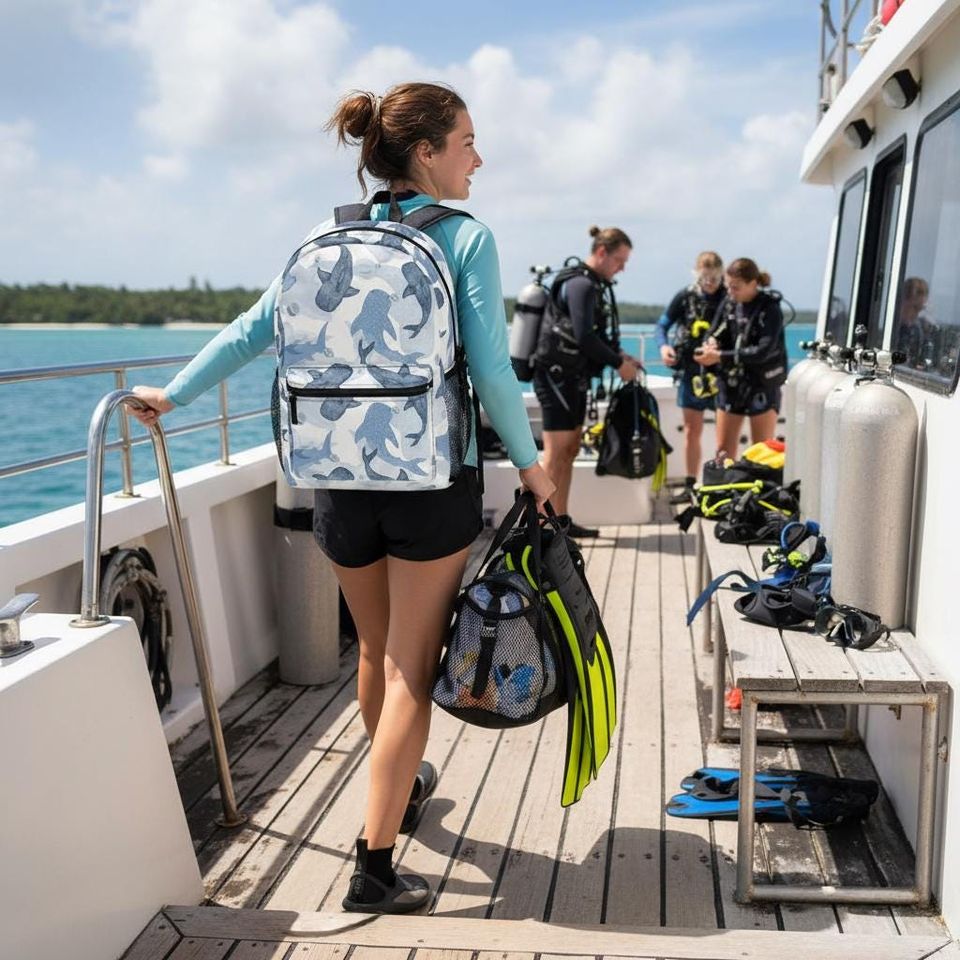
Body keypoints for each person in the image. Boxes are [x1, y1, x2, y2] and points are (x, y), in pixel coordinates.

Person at [129, 81, 555, 915]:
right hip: (429, 481)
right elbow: (494, 370)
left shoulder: (328, 233)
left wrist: (173, 397)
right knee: (411, 667)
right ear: (426, 153)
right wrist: (535, 467)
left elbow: (256, 331)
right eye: (467, 140)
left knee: (374, 654)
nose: (478, 156)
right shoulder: (465, 238)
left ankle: (390, 794)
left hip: (334, 479)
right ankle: (374, 862)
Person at [532, 226, 642, 537]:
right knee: (555, 455)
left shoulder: (589, 284)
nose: (622, 267)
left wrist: (622, 355)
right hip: (556, 378)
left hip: (572, 378)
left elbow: (594, 337)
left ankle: (560, 521)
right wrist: (619, 363)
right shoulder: (580, 284)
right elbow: (584, 337)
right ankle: (542, 529)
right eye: (620, 260)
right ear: (602, 252)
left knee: (569, 451)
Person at [695, 257, 786, 459]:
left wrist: (719, 356)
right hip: (731, 384)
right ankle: (724, 487)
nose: (730, 292)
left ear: (753, 284)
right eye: (728, 287)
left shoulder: (769, 309)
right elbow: (712, 330)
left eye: (735, 287)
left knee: (762, 453)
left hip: (761, 384)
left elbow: (763, 351)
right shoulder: (729, 304)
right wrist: (711, 343)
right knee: (723, 453)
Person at [656, 251, 726, 495]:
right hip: (690, 372)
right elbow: (662, 324)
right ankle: (690, 484)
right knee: (691, 430)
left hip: (720, 373)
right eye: (706, 278)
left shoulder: (729, 297)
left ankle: (721, 483)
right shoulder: (686, 296)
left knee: (724, 432)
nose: (710, 283)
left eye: (715, 278)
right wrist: (664, 346)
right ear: (697, 274)